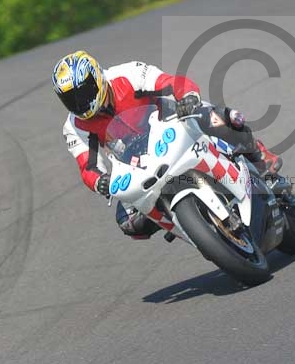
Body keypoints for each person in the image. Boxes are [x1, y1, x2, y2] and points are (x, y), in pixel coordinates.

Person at [52, 50, 282, 239]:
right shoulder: (74, 126)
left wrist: (188, 98)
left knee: (220, 117)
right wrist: (100, 181)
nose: (79, 103)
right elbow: (87, 167)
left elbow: (172, 83)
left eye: (83, 92)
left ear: (97, 77)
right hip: (135, 159)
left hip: (171, 122)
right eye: (70, 98)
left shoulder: (128, 74)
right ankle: (183, 221)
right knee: (129, 223)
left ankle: (260, 158)